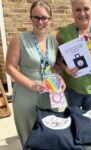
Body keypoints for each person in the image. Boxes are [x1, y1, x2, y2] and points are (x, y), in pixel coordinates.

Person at [5, 0, 66, 146]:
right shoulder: (19, 39)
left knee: (49, 130)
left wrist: (59, 78)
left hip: (49, 92)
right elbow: (10, 67)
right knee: (29, 134)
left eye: (44, 18)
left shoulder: (53, 42)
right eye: (36, 17)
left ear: (50, 20)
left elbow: (52, 67)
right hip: (26, 92)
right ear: (30, 18)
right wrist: (31, 84)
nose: (40, 22)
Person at [56, 0, 91, 110]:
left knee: (89, 119)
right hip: (72, 87)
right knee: (74, 118)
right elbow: (56, 58)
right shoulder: (63, 32)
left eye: (86, 9)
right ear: (72, 11)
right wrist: (65, 68)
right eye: (78, 10)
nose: (82, 13)